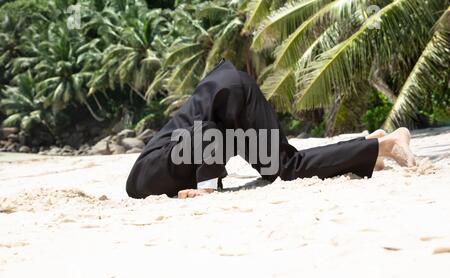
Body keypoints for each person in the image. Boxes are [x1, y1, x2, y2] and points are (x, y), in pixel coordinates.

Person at [126, 59, 416, 199]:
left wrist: (207, 189)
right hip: (226, 95)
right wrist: (196, 187)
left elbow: (206, 134)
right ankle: (368, 149)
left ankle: (388, 144)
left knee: (286, 167)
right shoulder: (155, 169)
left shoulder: (149, 175)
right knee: (278, 169)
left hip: (229, 98)